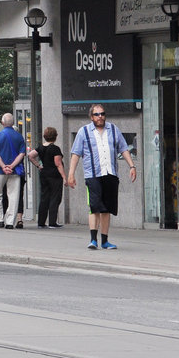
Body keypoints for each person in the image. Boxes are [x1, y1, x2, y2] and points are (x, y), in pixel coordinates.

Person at [67, 104, 136, 249]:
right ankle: (93, 240)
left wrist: (132, 166)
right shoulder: (84, 132)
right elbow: (76, 154)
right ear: (91, 117)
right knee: (94, 207)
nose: (100, 117)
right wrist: (71, 174)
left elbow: (123, 148)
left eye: (102, 114)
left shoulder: (113, 129)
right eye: (97, 114)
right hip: (93, 175)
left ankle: (105, 241)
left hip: (110, 174)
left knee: (106, 209)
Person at [0, 113, 25, 229]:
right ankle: (10, 222)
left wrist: (3, 166)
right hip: (15, 171)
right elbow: (22, 154)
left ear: (2, 122)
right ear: (13, 123)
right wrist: (12, 166)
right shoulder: (19, 137)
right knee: (14, 195)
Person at [36, 126, 67, 228]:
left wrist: (38, 165)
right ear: (55, 136)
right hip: (54, 176)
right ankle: (52, 222)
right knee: (55, 197)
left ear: (45, 136)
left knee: (44, 197)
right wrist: (64, 177)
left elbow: (31, 155)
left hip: (44, 174)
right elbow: (58, 164)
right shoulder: (55, 149)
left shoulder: (40, 147)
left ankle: (41, 222)